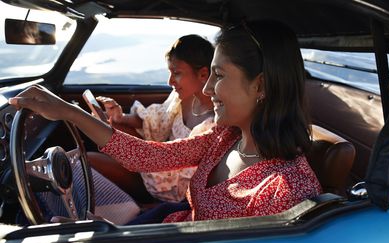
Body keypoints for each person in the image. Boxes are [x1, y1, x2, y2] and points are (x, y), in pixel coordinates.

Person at [9, 20, 322, 224]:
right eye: (210, 72)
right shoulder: (224, 137)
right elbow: (149, 156)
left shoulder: (286, 191)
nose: (209, 86)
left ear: (261, 86)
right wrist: (69, 112)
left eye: (220, 75)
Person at [88, 34, 215, 205]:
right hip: (152, 164)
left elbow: (182, 183)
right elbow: (156, 120)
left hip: (165, 184)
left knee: (89, 160)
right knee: (113, 127)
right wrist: (120, 117)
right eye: (170, 72)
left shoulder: (213, 123)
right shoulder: (183, 98)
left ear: (203, 74)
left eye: (176, 73)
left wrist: (136, 160)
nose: (170, 81)